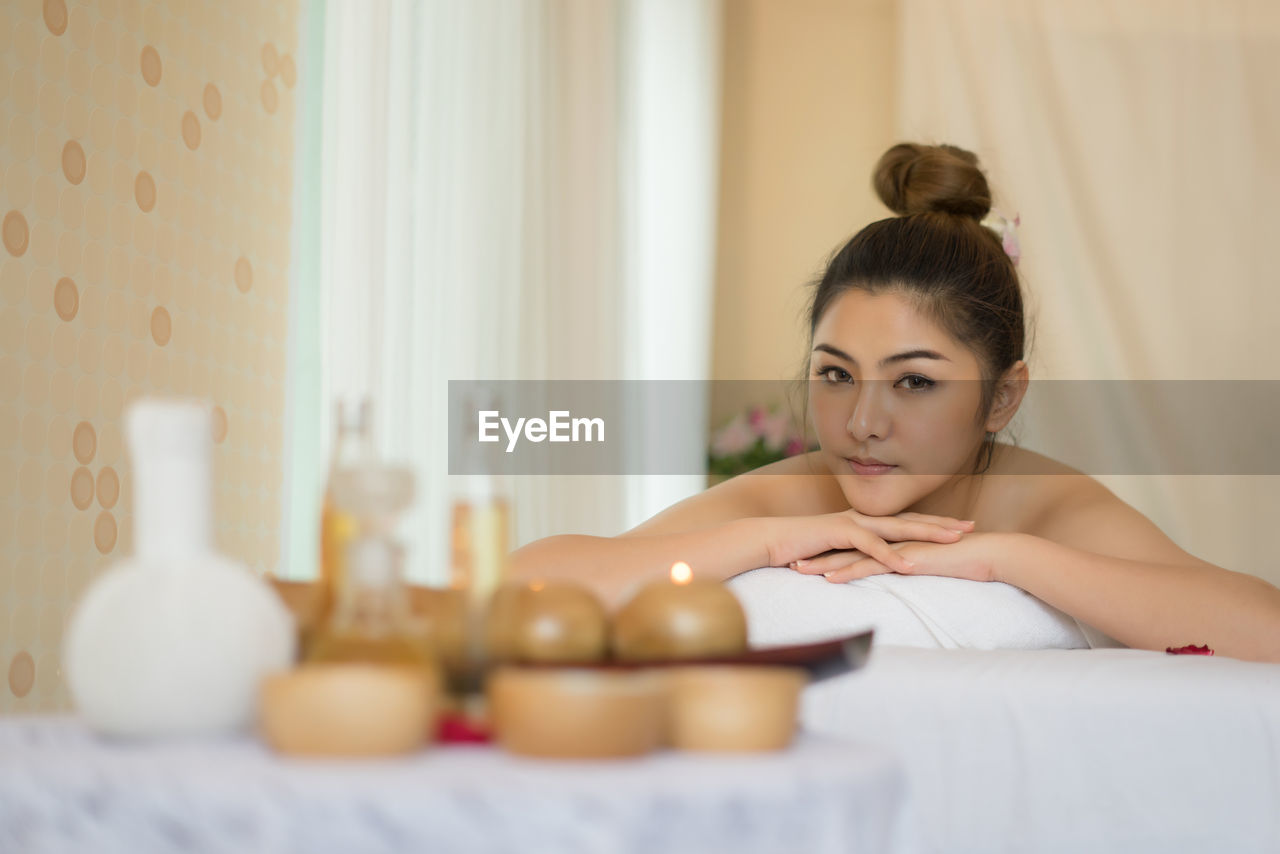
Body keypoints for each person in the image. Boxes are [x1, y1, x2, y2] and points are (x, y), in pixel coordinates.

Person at [509, 142, 1280, 663]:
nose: (861, 423)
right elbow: (522, 591)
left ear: (1003, 396)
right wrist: (768, 540)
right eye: (836, 374)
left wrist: (1003, 559)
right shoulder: (800, 493)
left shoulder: (1044, 506)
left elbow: (1263, 633)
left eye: (914, 381)